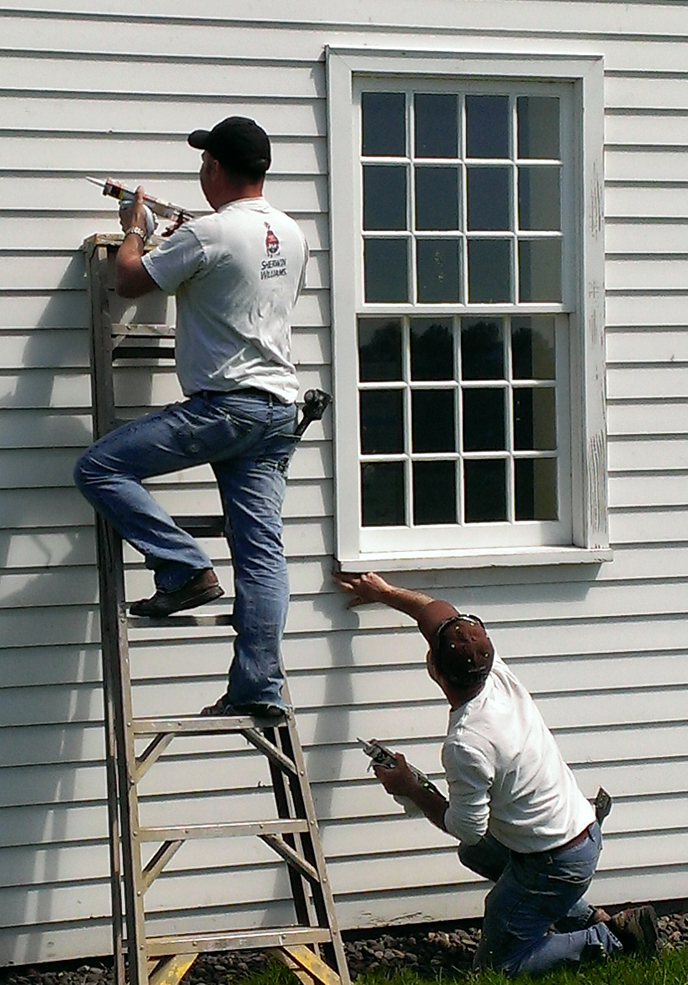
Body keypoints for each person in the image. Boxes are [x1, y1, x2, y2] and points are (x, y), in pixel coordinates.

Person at [74, 116, 310, 719]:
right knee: (261, 556)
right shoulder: (290, 233)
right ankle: (259, 688)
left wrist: (135, 232)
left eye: (205, 162)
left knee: (99, 468)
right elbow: (231, 283)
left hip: (226, 408)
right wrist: (180, 237)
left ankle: (182, 567)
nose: (200, 170)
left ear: (216, 169)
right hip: (280, 410)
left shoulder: (209, 233)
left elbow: (126, 280)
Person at [335, 571, 660, 977]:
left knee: (498, 968)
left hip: (557, 860)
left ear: (432, 666)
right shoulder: (495, 673)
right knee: (477, 854)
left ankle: (613, 939)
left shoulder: (466, 743)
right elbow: (429, 610)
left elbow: (467, 827)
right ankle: (580, 916)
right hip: (573, 829)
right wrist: (383, 592)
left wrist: (410, 787)